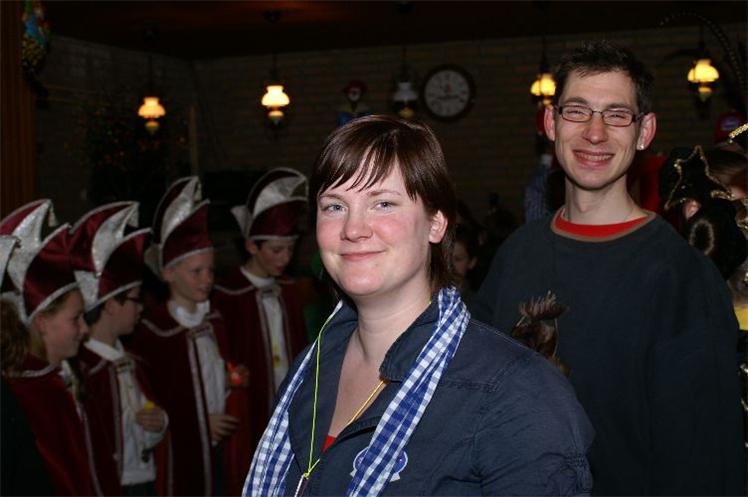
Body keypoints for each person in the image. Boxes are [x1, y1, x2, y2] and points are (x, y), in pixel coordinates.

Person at [245, 115, 594, 497]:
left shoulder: (517, 391)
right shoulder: (310, 367)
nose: (353, 229)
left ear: (436, 223)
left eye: (383, 203)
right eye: (334, 207)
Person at [471, 41, 746, 495]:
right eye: (577, 111)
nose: (594, 133)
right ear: (551, 123)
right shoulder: (516, 253)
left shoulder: (680, 276)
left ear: (644, 131)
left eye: (617, 115)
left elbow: (705, 460)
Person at [131, 177, 239, 496]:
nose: (207, 279)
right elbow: (156, 400)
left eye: (211, 270)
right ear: (168, 273)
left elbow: (215, 370)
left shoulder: (214, 319)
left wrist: (231, 378)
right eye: (196, 272)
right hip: (180, 453)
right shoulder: (154, 332)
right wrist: (201, 422)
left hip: (220, 445)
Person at [213, 168, 309, 495]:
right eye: (276, 250)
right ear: (252, 246)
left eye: (290, 249)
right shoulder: (227, 295)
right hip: (249, 410)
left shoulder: (289, 289)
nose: (285, 258)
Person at [70, 201, 169, 496]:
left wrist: (159, 423)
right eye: (135, 299)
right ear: (111, 304)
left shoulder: (133, 361)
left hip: (144, 480)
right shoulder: (87, 368)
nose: (142, 308)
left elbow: (148, 413)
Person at [0, 199, 99, 496]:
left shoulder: (57, 378)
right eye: (75, 318)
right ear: (42, 322)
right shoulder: (34, 391)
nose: (85, 329)